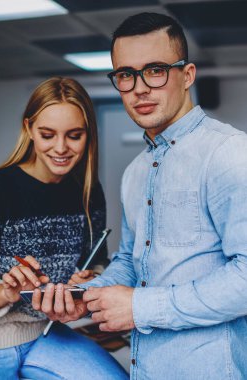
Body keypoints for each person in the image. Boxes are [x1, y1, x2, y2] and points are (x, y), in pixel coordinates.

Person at [33, 12, 247, 380]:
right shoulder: (136, 172)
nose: (139, 88)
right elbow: (134, 264)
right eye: (126, 75)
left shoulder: (229, 153)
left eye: (155, 70)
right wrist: (83, 297)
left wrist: (140, 308)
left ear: (188, 75)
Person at [0, 77, 128, 379]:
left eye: (74, 135)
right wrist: (6, 292)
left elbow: (98, 260)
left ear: (88, 133)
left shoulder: (89, 192)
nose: (61, 148)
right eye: (47, 134)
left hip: (45, 333)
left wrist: (90, 279)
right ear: (29, 130)